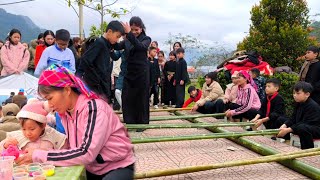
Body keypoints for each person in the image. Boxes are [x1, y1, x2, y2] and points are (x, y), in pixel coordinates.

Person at [16, 64, 135, 180]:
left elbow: (86, 153)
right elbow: (72, 149)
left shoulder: (93, 109)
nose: (50, 105)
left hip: (116, 167)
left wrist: (39, 155)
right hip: (91, 168)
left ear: (67, 89)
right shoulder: (66, 113)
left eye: (50, 98)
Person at [113, 16, 151, 127]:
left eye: (136, 30)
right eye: (132, 29)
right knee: (128, 97)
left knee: (141, 99)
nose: (134, 32)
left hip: (142, 73)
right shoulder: (127, 40)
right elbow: (116, 46)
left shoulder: (146, 39)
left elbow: (140, 47)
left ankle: (142, 123)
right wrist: (113, 36)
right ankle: (130, 121)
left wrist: (129, 34)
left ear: (141, 29)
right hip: (129, 73)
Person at [77, 21, 125, 101]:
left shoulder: (108, 44)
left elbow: (117, 51)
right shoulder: (99, 43)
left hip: (103, 84)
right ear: (109, 32)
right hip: (96, 86)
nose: (117, 40)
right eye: (117, 36)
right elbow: (85, 60)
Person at [0, 102, 66, 151]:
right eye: (24, 129)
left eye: (32, 129)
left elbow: (65, 149)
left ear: (43, 125)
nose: (28, 133)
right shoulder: (17, 137)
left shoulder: (53, 135)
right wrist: (5, 145)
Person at [277, 81, 320, 149]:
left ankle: (307, 150)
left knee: (302, 127)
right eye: (294, 93)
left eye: (298, 93)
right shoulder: (298, 103)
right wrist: (284, 125)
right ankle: (286, 140)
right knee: (281, 119)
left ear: (307, 94)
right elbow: (293, 118)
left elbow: (305, 123)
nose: (294, 95)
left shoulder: (313, 106)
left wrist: (288, 130)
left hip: (315, 129)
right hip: (301, 125)